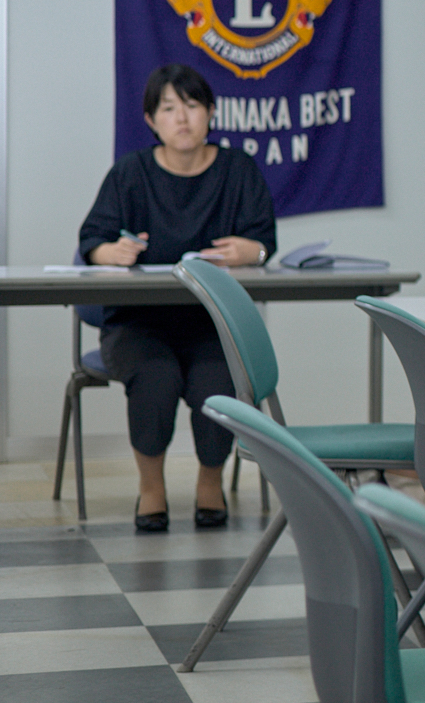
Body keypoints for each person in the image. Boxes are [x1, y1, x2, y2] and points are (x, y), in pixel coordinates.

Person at [78, 63, 276, 533]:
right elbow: (92, 241)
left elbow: (264, 241)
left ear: (211, 112)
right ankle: (152, 489)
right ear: (151, 120)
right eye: (168, 108)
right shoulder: (130, 173)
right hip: (136, 325)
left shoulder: (238, 170)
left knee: (218, 382)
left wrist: (254, 250)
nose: (182, 118)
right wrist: (112, 251)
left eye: (191, 106)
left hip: (213, 324)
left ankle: (210, 484)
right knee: (156, 378)